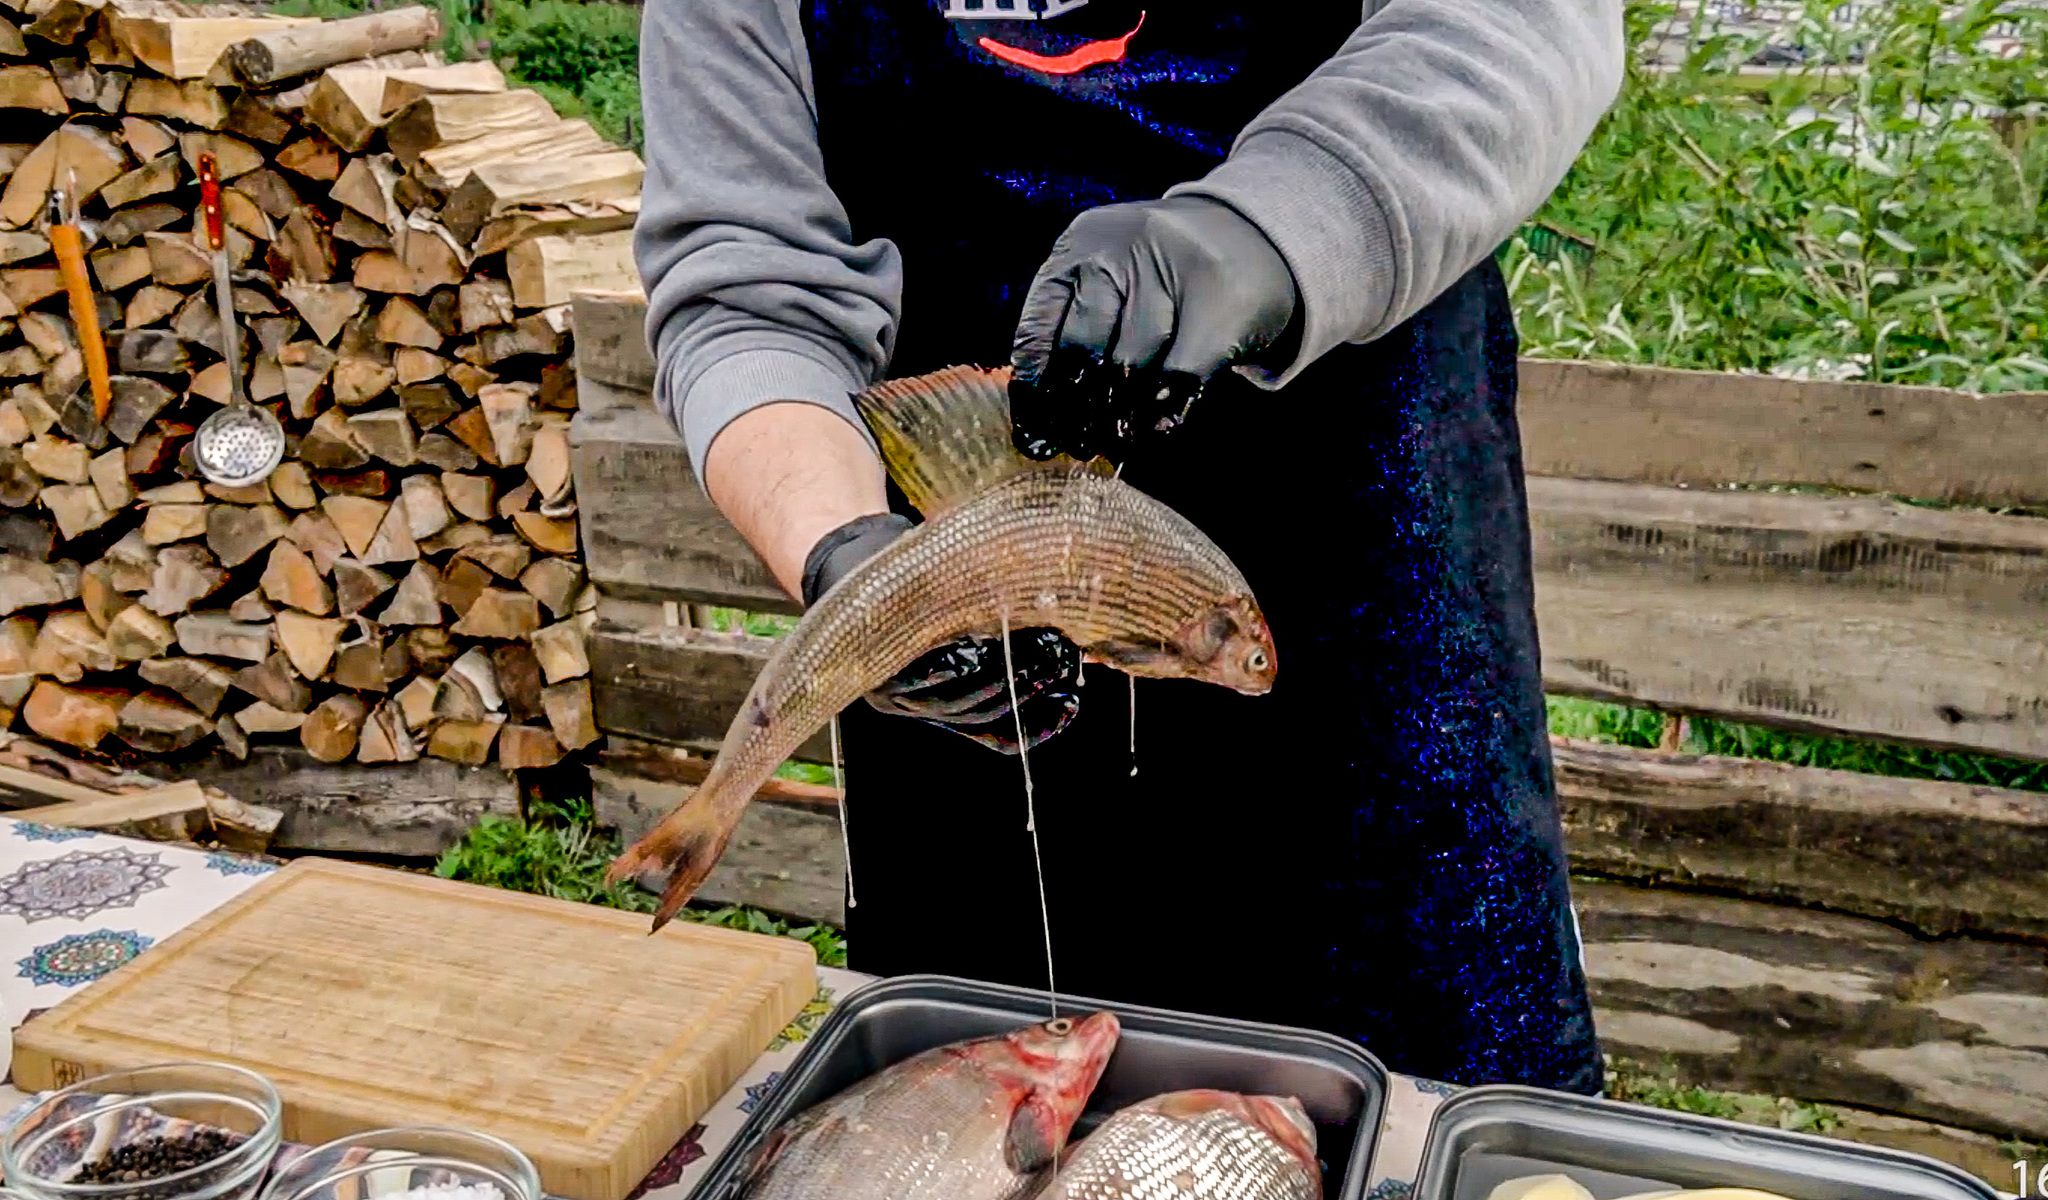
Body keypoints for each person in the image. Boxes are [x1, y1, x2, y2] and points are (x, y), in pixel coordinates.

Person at [636, 0, 1622, 1093]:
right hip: (979, 638)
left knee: (1414, 1096)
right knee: (993, 1113)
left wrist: (1266, 232)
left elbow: (1510, 30)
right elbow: (742, 279)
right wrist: (847, 558)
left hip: (1373, 614)